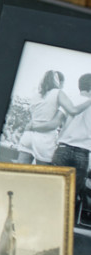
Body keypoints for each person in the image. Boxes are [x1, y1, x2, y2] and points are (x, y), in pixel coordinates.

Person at [15, 70, 91, 165]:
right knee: (45, 176)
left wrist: (32, 126)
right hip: (45, 139)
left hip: (28, 136)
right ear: (60, 82)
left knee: (18, 171)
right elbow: (72, 111)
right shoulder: (58, 93)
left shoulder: (37, 94)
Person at [51, 73, 91, 214]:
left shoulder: (70, 98)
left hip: (63, 148)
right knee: (71, 195)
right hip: (83, 152)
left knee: (52, 189)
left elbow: (57, 122)